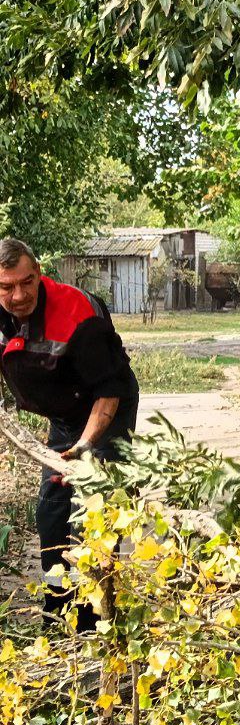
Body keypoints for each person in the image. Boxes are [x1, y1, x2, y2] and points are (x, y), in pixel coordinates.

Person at [0, 239, 138, 627]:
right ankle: (58, 613)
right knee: (52, 511)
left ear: (39, 273)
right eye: (7, 287)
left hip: (105, 408)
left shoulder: (77, 312)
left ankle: (98, 617)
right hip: (62, 415)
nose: (19, 294)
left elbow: (109, 390)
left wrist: (85, 446)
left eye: (27, 282)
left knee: (92, 511)